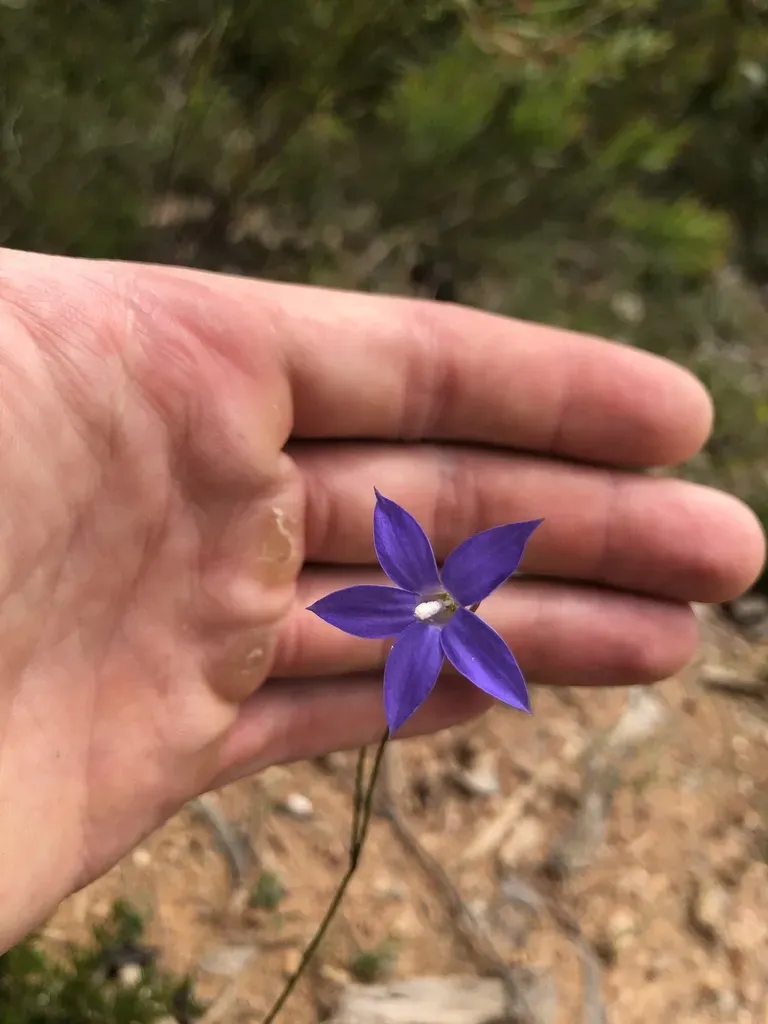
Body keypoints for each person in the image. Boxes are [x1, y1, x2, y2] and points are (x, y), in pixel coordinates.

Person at [0, 246, 763, 954]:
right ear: (429, 585)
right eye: (436, 601)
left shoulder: (459, 621)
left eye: (446, 604)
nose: (436, 609)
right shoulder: (402, 587)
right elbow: (375, 591)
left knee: (410, 701)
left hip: (432, 629)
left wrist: (444, 613)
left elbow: (467, 602)